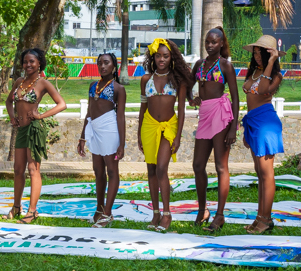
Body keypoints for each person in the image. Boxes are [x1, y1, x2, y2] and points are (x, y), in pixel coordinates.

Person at [190, 27, 242, 231]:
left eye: (214, 42)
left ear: (221, 43)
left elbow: (236, 97)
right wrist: (191, 99)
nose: (210, 45)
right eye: (207, 42)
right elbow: (188, 82)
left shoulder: (225, 66)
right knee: (197, 165)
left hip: (221, 114)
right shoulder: (199, 65)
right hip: (205, 114)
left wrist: (233, 128)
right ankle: (203, 210)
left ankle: (219, 215)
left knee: (221, 166)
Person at [8, 48, 66, 223]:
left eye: (32, 61)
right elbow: (8, 101)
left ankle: (32, 211)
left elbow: (62, 104)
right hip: (21, 130)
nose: (28, 65)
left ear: (39, 62)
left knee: (33, 170)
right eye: (25, 62)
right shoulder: (19, 81)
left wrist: (41, 115)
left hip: (34, 129)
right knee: (18, 170)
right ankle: (16, 207)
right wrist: (12, 116)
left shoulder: (43, 83)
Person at [138, 38, 190, 232]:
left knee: (161, 168)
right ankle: (155, 213)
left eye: (165, 56)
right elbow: (143, 108)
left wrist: (178, 137)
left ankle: (167, 213)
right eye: (158, 55)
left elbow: (182, 111)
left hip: (169, 126)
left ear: (172, 58)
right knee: (151, 170)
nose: (161, 59)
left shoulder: (178, 80)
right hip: (149, 126)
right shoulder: (146, 80)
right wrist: (138, 135)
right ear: (153, 57)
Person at [240, 35, 285, 233]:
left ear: (271, 55)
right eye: (256, 53)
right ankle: (261, 217)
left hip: (266, 123)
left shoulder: (276, 75)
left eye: (262, 53)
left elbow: (264, 89)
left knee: (267, 174)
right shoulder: (255, 71)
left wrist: (273, 61)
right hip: (253, 122)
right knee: (260, 173)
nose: (257, 56)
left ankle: (266, 219)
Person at [77, 51, 126, 227]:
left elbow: (120, 116)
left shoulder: (118, 89)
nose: (102, 66)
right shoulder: (93, 85)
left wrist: (122, 143)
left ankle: (108, 213)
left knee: (111, 170)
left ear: (114, 66)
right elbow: (89, 111)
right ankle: (99, 208)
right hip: (94, 129)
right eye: (100, 63)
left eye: (106, 63)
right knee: (98, 171)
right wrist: (83, 136)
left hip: (110, 129)